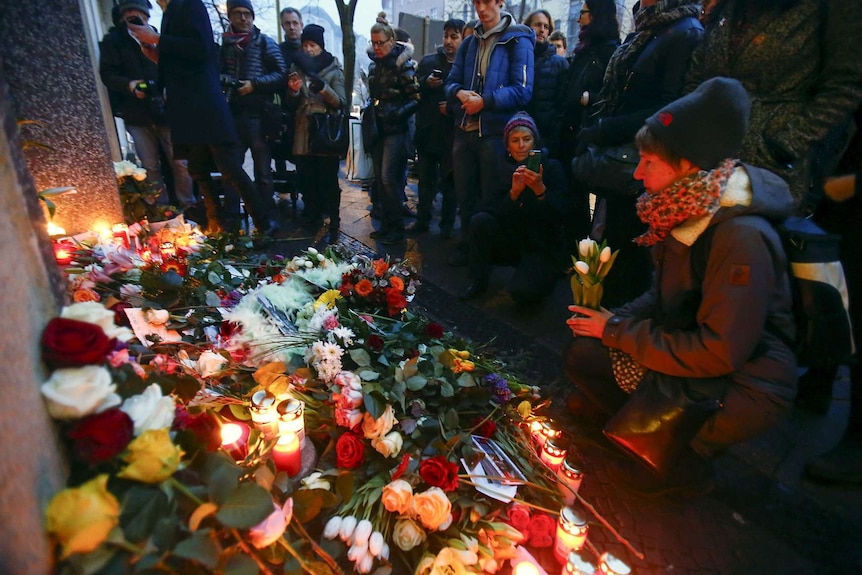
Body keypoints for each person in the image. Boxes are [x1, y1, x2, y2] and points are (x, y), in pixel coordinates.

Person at [564, 78, 797, 495]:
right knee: (584, 353)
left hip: (742, 383)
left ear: (687, 165)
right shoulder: (687, 209)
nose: (637, 173)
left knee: (643, 481)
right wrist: (611, 321)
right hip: (692, 350)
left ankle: (688, 458)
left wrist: (616, 332)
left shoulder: (738, 237)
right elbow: (664, 295)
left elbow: (718, 351)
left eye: (648, 162)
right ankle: (635, 424)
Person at [572, 0, 703, 308]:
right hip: (626, 154)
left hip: (646, 159)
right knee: (616, 240)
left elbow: (670, 109)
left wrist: (607, 128)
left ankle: (621, 329)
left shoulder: (685, 32)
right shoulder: (648, 29)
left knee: (632, 250)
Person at [127, 0, 284, 236]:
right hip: (189, 107)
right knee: (198, 169)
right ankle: (217, 224)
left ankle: (264, 222)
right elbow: (187, 60)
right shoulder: (171, 12)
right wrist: (157, 55)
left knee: (230, 166)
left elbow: (201, 49)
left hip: (205, 105)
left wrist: (159, 39)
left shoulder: (189, 5)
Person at [444, 0, 534, 267]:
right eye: (477, 2)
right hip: (464, 129)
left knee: (489, 199)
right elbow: (451, 81)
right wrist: (458, 92)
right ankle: (467, 247)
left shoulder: (517, 40)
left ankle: (485, 257)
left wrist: (486, 101)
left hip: (494, 132)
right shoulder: (470, 42)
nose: (481, 8)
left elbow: (524, 90)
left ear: (500, 3)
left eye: (487, 2)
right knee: (464, 196)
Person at [460, 112, 569, 304]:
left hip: (540, 243)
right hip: (511, 236)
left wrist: (540, 191)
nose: (521, 146)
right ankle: (478, 279)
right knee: (480, 221)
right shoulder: (500, 167)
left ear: (534, 142)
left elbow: (561, 216)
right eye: (515, 140)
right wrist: (513, 194)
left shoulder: (552, 167)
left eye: (527, 139)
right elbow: (490, 210)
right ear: (507, 146)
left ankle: (544, 277)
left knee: (524, 296)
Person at [99, 0, 195, 210]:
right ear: (122, 16)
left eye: (139, 12)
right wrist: (129, 85)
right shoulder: (113, 42)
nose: (135, 16)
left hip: (166, 111)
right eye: (130, 13)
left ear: (147, 15)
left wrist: (169, 90)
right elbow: (107, 74)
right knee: (150, 166)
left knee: (180, 162)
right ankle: (161, 209)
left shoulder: (157, 37)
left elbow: (172, 66)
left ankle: (189, 206)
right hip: (136, 113)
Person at [219, 0, 286, 226]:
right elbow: (216, 74)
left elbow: (280, 74)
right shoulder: (224, 45)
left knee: (263, 172)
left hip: (259, 115)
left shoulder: (265, 43)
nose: (244, 18)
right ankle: (231, 219)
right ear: (230, 16)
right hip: (233, 114)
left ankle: (266, 218)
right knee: (232, 170)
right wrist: (229, 83)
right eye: (238, 13)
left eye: (247, 13)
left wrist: (254, 85)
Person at [558, 0, 620, 241]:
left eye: (583, 13)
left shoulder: (609, 50)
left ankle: (579, 250)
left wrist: (588, 98)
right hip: (571, 130)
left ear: (595, 15)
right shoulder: (586, 47)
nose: (578, 18)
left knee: (580, 196)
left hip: (587, 133)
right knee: (571, 194)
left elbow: (612, 96)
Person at [285, 24, 346, 245]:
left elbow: (340, 102)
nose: (308, 49)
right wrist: (292, 90)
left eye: (313, 45)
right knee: (306, 177)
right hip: (303, 129)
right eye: (305, 45)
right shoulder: (296, 67)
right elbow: (290, 102)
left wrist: (322, 88)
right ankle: (311, 215)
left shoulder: (333, 68)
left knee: (328, 179)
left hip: (324, 130)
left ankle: (335, 218)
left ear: (321, 46)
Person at [365, 18, 421, 245]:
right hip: (379, 125)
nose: (377, 47)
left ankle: (396, 229)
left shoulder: (402, 63)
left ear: (391, 40)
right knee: (380, 178)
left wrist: (396, 114)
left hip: (395, 128)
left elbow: (416, 98)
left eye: (380, 43)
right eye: (373, 43)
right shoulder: (376, 63)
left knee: (389, 179)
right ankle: (387, 226)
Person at [408, 18, 465, 238]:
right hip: (427, 132)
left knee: (450, 184)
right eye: (446, 36)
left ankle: (446, 226)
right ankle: (422, 221)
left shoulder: (464, 66)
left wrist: (451, 107)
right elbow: (412, 90)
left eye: (454, 36)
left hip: (452, 134)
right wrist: (425, 83)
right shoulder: (429, 61)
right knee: (425, 182)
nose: (449, 41)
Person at [523, 9, 568, 158]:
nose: (542, 30)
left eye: (546, 26)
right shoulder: (518, 58)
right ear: (528, 26)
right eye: (537, 25)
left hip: (548, 137)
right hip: (520, 133)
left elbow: (563, 104)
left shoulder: (559, 63)